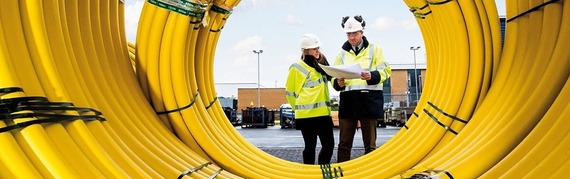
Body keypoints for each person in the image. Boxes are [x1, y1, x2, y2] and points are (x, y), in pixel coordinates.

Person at [332, 15, 392, 163]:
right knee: (344, 144)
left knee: (370, 145)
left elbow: (386, 71)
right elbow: (333, 76)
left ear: (362, 32)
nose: (351, 37)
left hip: (368, 101)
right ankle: (343, 174)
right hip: (348, 102)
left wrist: (372, 75)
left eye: (355, 33)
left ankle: (370, 173)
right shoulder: (341, 54)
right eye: (349, 34)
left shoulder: (375, 50)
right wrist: (337, 82)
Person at [285, 33, 334, 164]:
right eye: (314, 48)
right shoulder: (297, 68)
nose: (317, 51)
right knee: (310, 147)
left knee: (329, 146)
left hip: (323, 114)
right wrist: (299, 109)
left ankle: (321, 172)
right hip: (306, 117)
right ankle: (310, 175)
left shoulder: (322, 65)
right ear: (305, 51)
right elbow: (290, 93)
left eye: (318, 47)